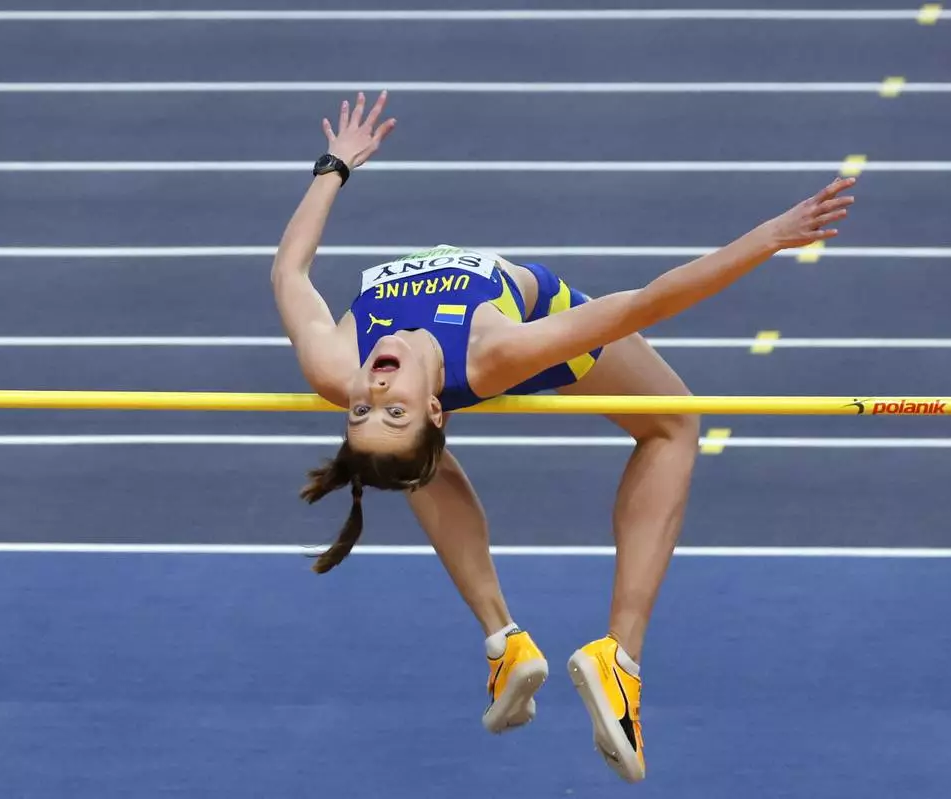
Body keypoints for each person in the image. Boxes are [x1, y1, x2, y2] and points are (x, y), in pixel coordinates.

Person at [271, 91, 856, 783]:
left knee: (410, 464)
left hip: (464, 354)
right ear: (431, 407)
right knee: (674, 422)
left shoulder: (337, 367)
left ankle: (506, 645)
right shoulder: (494, 351)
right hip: (541, 320)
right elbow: (645, 303)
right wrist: (765, 239)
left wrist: (334, 165)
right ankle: (620, 658)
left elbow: (289, 272)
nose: (370, 396)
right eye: (390, 411)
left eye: (361, 412)